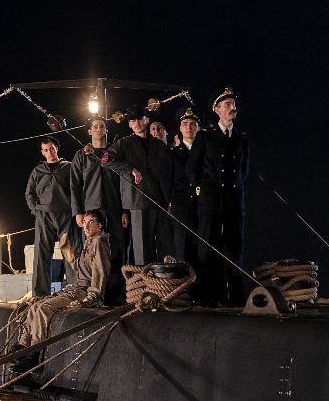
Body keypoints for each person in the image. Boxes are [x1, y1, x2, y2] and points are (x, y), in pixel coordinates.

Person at [12, 210, 111, 372]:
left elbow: (100, 273)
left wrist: (91, 298)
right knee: (35, 306)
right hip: (76, 287)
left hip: (83, 291)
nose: (86, 225)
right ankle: (22, 346)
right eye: (84, 221)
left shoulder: (99, 241)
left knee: (44, 309)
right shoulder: (89, 241)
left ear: (100, 225)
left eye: (91, 221)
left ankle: (35, 354)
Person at [186, 86, 250, 306]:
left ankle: (236, 299)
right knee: (207, 249)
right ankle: (208, 296)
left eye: (233, 104)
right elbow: (192, 169)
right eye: (228, 105)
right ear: (217, 110)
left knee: (235, 248)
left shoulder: (241, 138)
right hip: (211, 201)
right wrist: (200, 189)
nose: (233, 108)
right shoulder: (206, 137)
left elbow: (244, 170)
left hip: (233, 201)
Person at [102, 104, 174, 266]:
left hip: (160, 203)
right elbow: (105, 160)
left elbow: (168, 174)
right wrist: (130, 169)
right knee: (143, 253)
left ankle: (166, 289)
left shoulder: (158, 144)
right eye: (133, 120)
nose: (137, 123)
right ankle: (146, 289)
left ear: (147, 120)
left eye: (140, 119)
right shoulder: (124, 143)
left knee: (167, 250)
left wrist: (169, 200)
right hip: (137, 203)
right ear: (129, 124)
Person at [70, 116, 128, 303]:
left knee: (116, 252)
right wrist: (78, 211)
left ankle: (115, 298)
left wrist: (125, 210)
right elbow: (75, 185)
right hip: (91, 212)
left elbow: (123, 182)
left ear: (106, 130)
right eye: (94, 127)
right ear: (89, 131)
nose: (98, 129)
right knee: (91, 254)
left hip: (114, 209)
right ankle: (92, 295)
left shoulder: (114, 153)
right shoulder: (81, 155)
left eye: (101, 126)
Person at [25, 136, 80, 297]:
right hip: (44, 216)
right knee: (41, 255)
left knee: (70, 254)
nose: (50, 152)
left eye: (52, 148)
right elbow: (30, 194)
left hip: (65, 216)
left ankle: (75, 291)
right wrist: (36, 211)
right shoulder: (38, 171)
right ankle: (40, 294)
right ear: (42, 152)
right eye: (46, 150)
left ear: (57, 148)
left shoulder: (68, 167)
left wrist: (75, 211)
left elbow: (77, 190)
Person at [170, 106, 200, 263]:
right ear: (180, 128)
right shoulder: (173, 155)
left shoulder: (207, 153)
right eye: (185, 124)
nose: (189, 127)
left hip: (203, 208)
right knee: (183, 253)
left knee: (204, 253)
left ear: (198, 127)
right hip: (181, 209)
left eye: (193, 124)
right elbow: (169, 182)